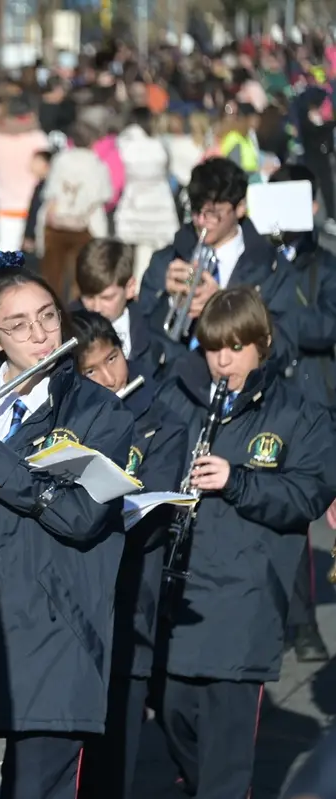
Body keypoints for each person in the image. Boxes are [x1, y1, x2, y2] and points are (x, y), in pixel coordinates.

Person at [0, 253, 134, 799]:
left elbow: (84, 514)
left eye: (48, 317)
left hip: (51, 631)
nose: (41, 335)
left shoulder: (98, 411)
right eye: (19, 326)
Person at [153, 287, 336, 799]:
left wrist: (237, 481)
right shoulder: (179, 396)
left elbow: (306, 494)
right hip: (182, 591)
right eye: (214, 347)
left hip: (245, 597)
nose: (224, 359)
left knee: (226, 750)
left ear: (263, 344)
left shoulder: (298, 412)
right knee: (173, 714)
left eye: (236, 346)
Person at [69, 309, 188, 799]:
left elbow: (154, 512)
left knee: (114, 762)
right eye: (90, 370)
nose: (108, 376)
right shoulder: (67, 419)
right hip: (73, 612)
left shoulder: (162, 421)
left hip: (130, 603)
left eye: (112, 359)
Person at [268, 164, 336, 662]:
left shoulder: (324, 264)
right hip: (268, 401)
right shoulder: (257, 259)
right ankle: (294, 621)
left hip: (313, 401)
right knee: (280, 516)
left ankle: (303, 623)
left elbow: (325, 328)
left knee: (314, 518)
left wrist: (271, 309)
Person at [137, 157, 294, 367]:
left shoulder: (272, 267)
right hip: (173, 385)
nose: (201, 222)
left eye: (212, 214)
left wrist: (223, 305)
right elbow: (141, 330)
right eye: (196, 211)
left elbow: (283, 345)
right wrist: (166, 299)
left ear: (240, 208)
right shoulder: (165, 260)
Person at [75, 238, 166, 380]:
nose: (96, 308)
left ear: (130, 288)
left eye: (107, 298)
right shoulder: (68, 331)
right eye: (89, 297)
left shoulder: (153, 327)